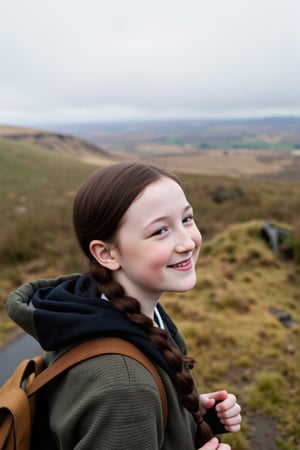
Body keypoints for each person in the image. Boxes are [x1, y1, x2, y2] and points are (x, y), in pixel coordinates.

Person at [7, 162, 242, 450]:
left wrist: (189, 416)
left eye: (187, 219)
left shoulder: (92, 310)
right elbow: (123, 402)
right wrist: (142, 407)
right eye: (159, 231)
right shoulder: (126, 388)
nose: (187, 243)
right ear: (106, 253)